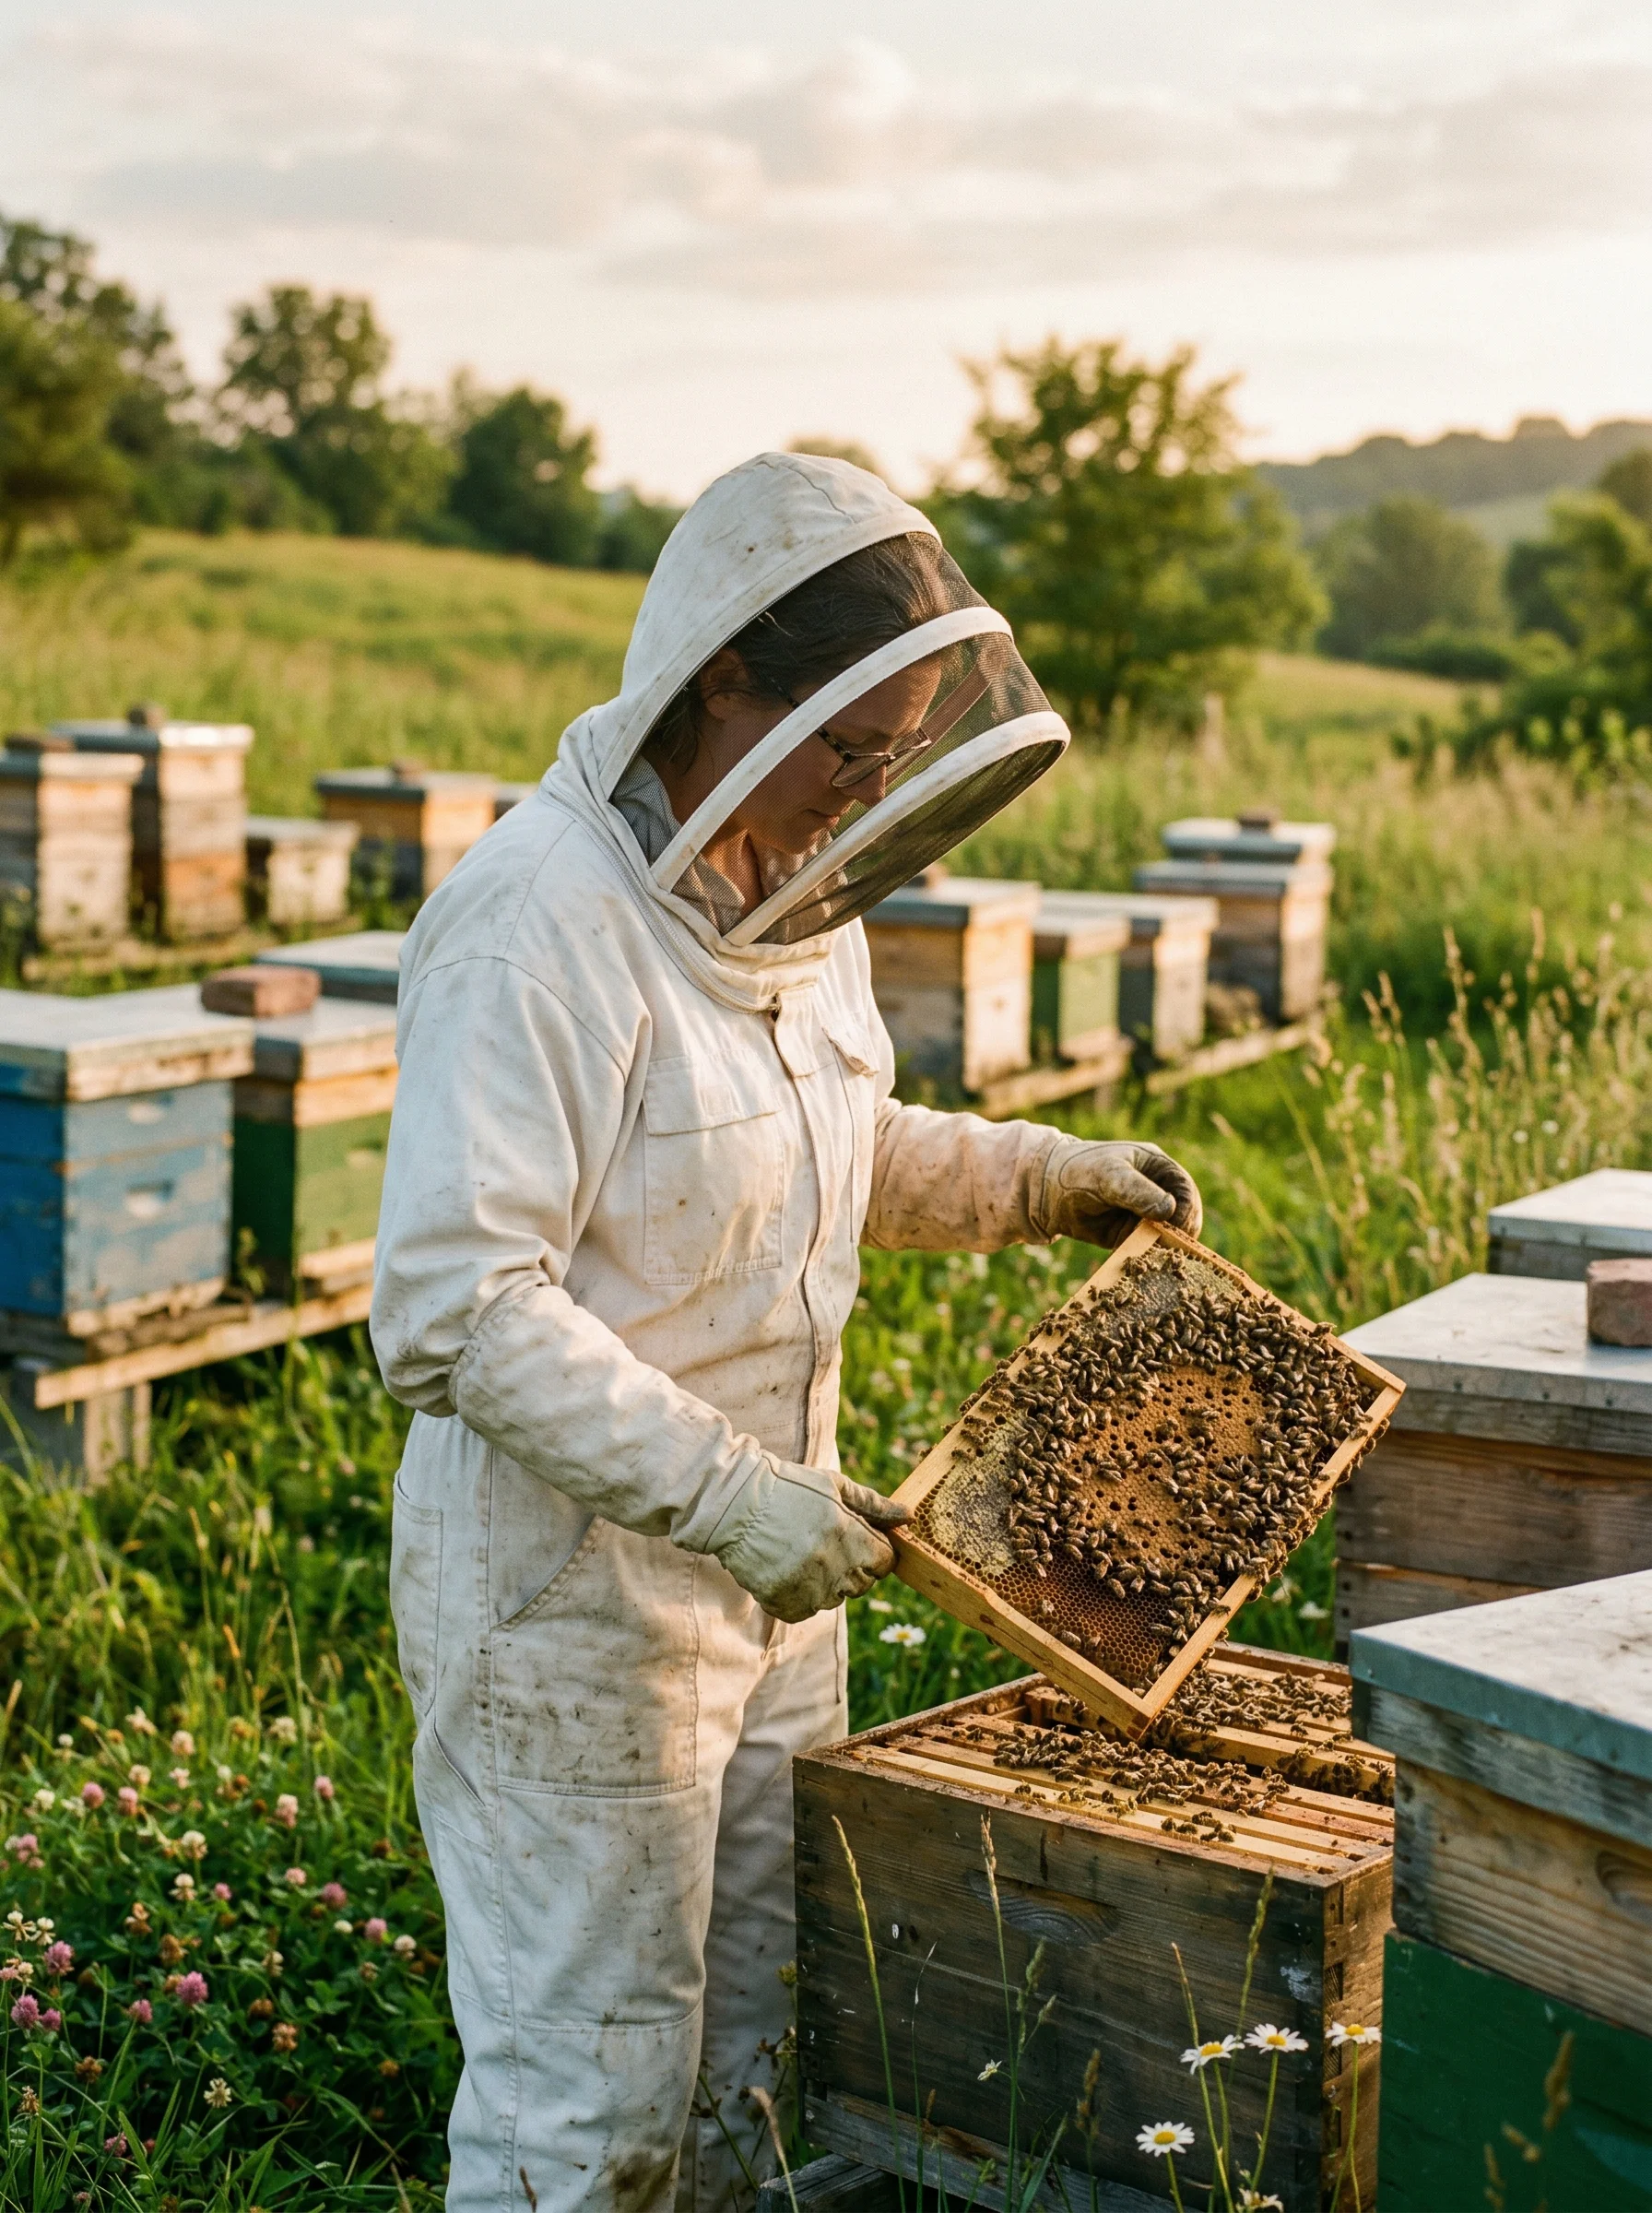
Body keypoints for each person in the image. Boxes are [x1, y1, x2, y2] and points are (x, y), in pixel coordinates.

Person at [372, 452, 1201, 2213]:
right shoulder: (537, 930)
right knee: (590, 2105)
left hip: (774, 1586)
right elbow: (456, 1308)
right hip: (572, 1609)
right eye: (852, 745)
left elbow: (826, 1149)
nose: (875, 785)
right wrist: (737, 1499)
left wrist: (1040, 1177)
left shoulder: (792, 899)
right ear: (725, 688)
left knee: (758, 2068)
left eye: (899, 745)